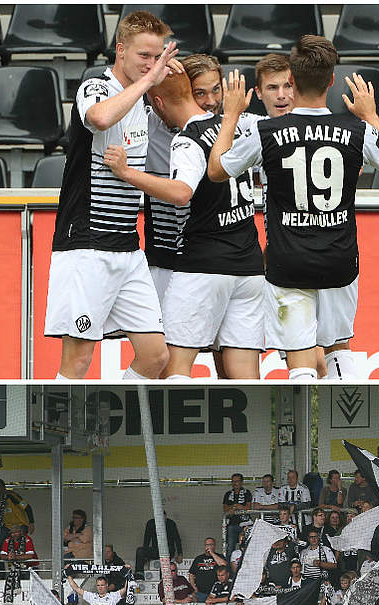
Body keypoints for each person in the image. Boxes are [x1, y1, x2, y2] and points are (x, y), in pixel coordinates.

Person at [207, 35, 379, 380]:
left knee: (300, 361)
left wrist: (230, 117)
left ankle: (303, 434)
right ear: (331, 80)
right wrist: (372, 116)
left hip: (289, 260)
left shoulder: (266, 131)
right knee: (338, 347)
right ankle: (346, 428)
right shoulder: (357, 130)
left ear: (294, 82)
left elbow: (217, 171)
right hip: (339, 259)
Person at [103, 58, 269, 380]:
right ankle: (257, 433)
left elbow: (181, 192)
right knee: (246, 377)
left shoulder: (187, 139)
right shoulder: (236, 128)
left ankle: (168, 433)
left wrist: (126, 172)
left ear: (158, 102)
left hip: (203, 265)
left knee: (174, 370)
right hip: (248, 267)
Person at [45, 10, 176, 380]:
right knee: (78, 361)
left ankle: (116, 427)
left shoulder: (146, 99)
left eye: (156, 56)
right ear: (121, 50)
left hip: (127, 247)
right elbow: (100, 118)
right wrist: (150, 80)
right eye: (144, 56)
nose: (151, 64)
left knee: (155, 356)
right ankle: (65, 437)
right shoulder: (96, 87)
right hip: (86, 243)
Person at [0, 479, 32, 561]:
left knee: (20, 547)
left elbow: (27, 507)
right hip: (7, 527)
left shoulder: (12, 496)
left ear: (4, 487)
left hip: (20, 525)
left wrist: (31, 523)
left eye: (0, 486)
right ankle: (1, 572)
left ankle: (22, 569)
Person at [223, 473, 254, 556]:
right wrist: (236, 506)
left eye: (237, 481)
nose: (235, 483)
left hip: (245, 524)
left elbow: (248, 507)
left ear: (241, 482)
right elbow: (225, 509)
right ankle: (229, 567)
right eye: (233, 481)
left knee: (246, 546)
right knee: (230, 547)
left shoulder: (247, 493)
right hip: (232, 524)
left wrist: (235, 507)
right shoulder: (228, 494)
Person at [188, 537, 228, 603]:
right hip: (201, 593)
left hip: (216, 593)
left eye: (211, 545)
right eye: (207, 545)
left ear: (214, 546)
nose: (209, 547)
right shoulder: (198, 558)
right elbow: (191, 574)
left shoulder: (219, 556)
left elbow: (224, 565)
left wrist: (212, 553)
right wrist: (194, 588)